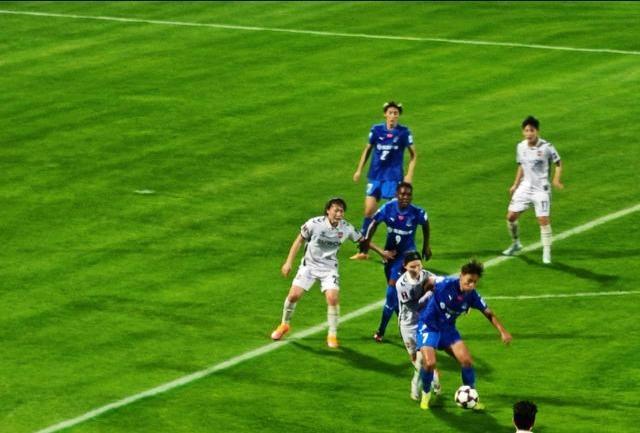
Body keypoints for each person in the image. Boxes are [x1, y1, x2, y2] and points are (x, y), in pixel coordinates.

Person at [270, 198, 386, 348]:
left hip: (329, 268)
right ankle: (284, 325)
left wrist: (382, 252)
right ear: (328, 210)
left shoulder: (346, 228)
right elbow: (299, 240)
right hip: (309, 266)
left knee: (332, 298)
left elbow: (363, 241)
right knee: (293, 295)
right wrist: (288, 262)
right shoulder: (314, 223)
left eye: (341, 211)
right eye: (336, 210)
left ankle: (332, 334)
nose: (339, 214)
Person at [416, 260, 512, 410]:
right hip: (429, 326)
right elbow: (429, 281)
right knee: (429, 363)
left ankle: (472, 398)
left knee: (466, 361)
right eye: (469, 281)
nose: (472, 285)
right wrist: (424, 297)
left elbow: (488, 313)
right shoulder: (445, 283)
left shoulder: (472, 296)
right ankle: (426, 394)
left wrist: (503, 331)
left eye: (475, 282)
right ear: (461, 276)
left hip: (448, 330)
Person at [362, 182, 431, 342]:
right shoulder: (388, 208)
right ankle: (406, 324)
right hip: (390, 256)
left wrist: (426, 246)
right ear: (396, 194)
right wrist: (370, 244)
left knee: (391, 293)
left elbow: (426, 225)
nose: (405, 197)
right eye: (402, 194)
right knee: (396, 295)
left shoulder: (416, 212)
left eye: (408, 195)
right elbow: (373, 224)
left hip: (407, 257)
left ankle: (380, 331)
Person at [351, 101, 417, 260]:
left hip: (393, 179)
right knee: (368, 211)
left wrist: (409, 175)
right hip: (375, 177)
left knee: (394, 215)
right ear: (385, 114)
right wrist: (359, 170)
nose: (393, 116)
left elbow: (414, 155)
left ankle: (393, 252)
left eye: (396, 113)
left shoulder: (403, 132)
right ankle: (363, 251)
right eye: (390, 113)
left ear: (398, 116)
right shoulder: (376, 130)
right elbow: (367, 149)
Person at [503, 115, 564, 264]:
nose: (529, 133)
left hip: (541, 189)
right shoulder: (520, 146)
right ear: (523, 132)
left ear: (537, 131)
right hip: (525, 187)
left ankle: (546, 251)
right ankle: (516, 243)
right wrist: (515, 184)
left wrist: (556, 179)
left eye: (532, 130)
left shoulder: (546, 147)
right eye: (526, 130)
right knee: (510, 217)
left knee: (543, 220)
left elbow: (558, 163)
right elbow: (521, 166)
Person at [395, 251, 442, 401]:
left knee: (426, 356)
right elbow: (414, 306)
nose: (416, 269)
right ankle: (430, 377)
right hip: (408, 323)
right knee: (415, 358)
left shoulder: (428, 276)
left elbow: (444, 285)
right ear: (405, 266)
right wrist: (429, 294)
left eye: (418, 265)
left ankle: (420, 383)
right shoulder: (401, 284)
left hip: (426, 321)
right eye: (412, 267)